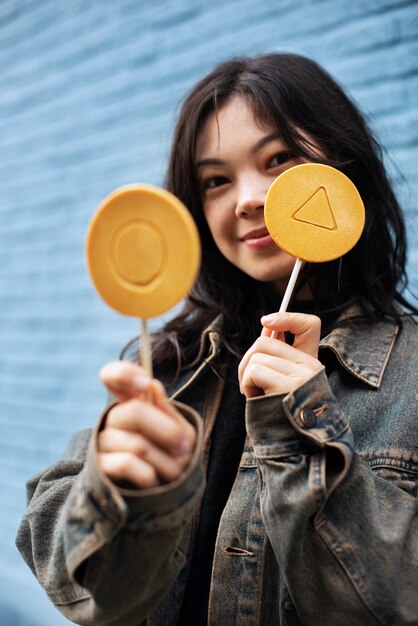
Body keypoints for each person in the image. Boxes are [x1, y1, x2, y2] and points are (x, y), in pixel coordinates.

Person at [16, 53, 418, 626]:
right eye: (215, 181)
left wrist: (302, 430)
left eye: (278, 159)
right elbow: (88, 596)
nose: (246, 199)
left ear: (342, 167)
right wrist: (121, 492)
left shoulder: (412, 376)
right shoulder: (169, 367)